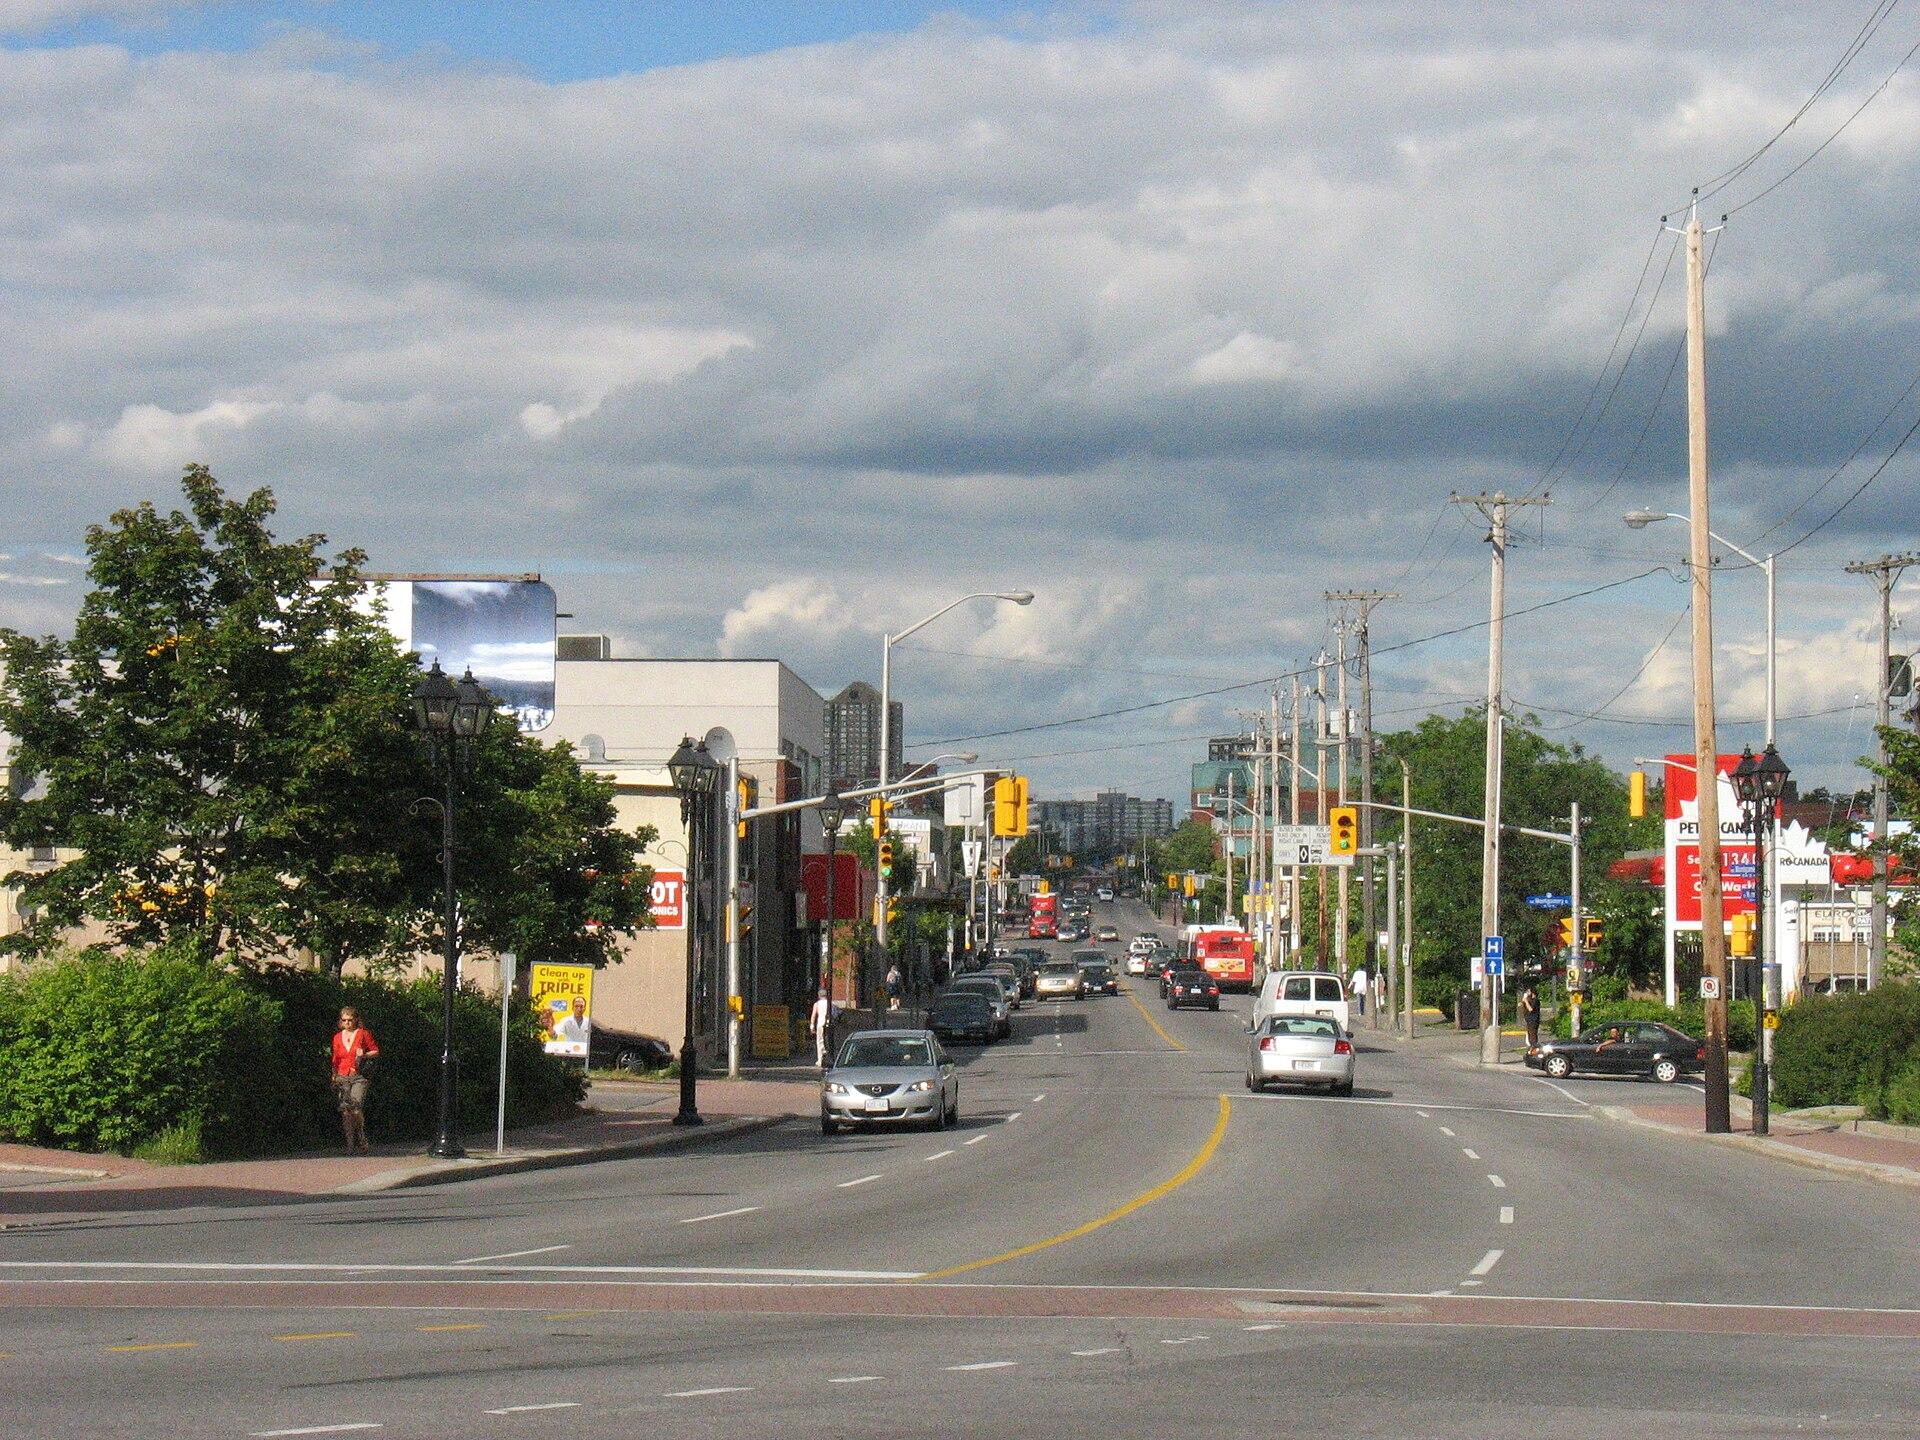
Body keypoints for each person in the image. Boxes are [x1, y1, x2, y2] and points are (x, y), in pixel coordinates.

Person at [330, 1007, 379, 1154]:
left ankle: (361, 1135)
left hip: (358, 1075)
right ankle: (350, 1144)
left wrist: (363, 1055)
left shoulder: (363, 1034)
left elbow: (375, 1051)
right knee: (345, 1110)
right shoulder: (337, 1037)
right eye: (344, 1020)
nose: (347, 1023)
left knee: (356, 1108)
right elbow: (335, 1059)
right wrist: (333, 1075)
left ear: (356, 1019)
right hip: (342, 1075)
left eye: (350, 1020)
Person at [809, 988, 834, 1067]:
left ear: (819, 995)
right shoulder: (830, 1004)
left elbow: (813, 1015)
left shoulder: (817, 1004)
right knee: (830, 1041)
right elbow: (836, 1013)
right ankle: (830, 1058)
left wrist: (812, 1026)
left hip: (820, 1024)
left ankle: (820, 1059)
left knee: (819, 1041)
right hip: (829, 1024)